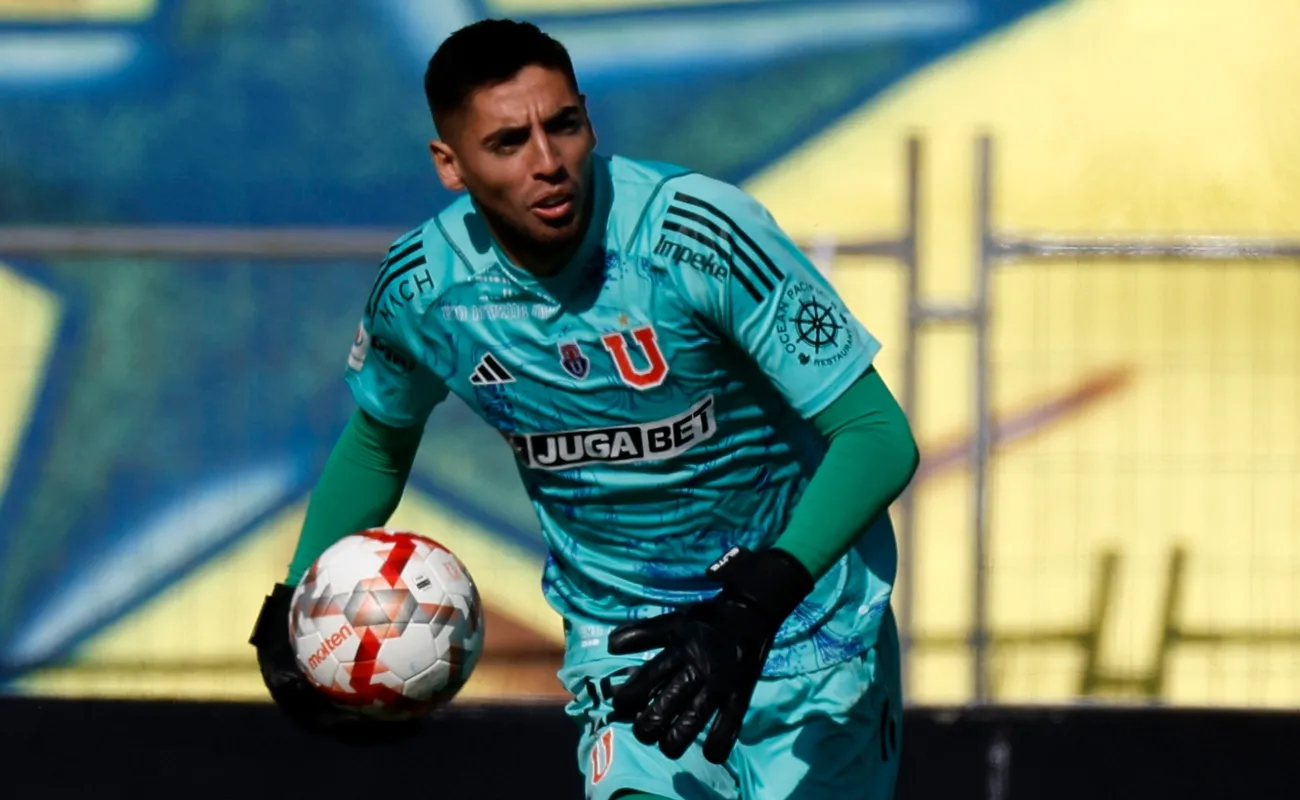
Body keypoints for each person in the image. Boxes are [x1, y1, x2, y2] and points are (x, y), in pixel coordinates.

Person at [249, 18, 919, 800]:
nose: (549, 163)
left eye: (564, 125)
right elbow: (378, 442)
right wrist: (297, 601)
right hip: (628, 639)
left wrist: (748, 608)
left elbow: (877, 438)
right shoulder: (422, 292)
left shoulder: (698, 235)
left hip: (812, 635)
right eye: (507, 143)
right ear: (451, 165)